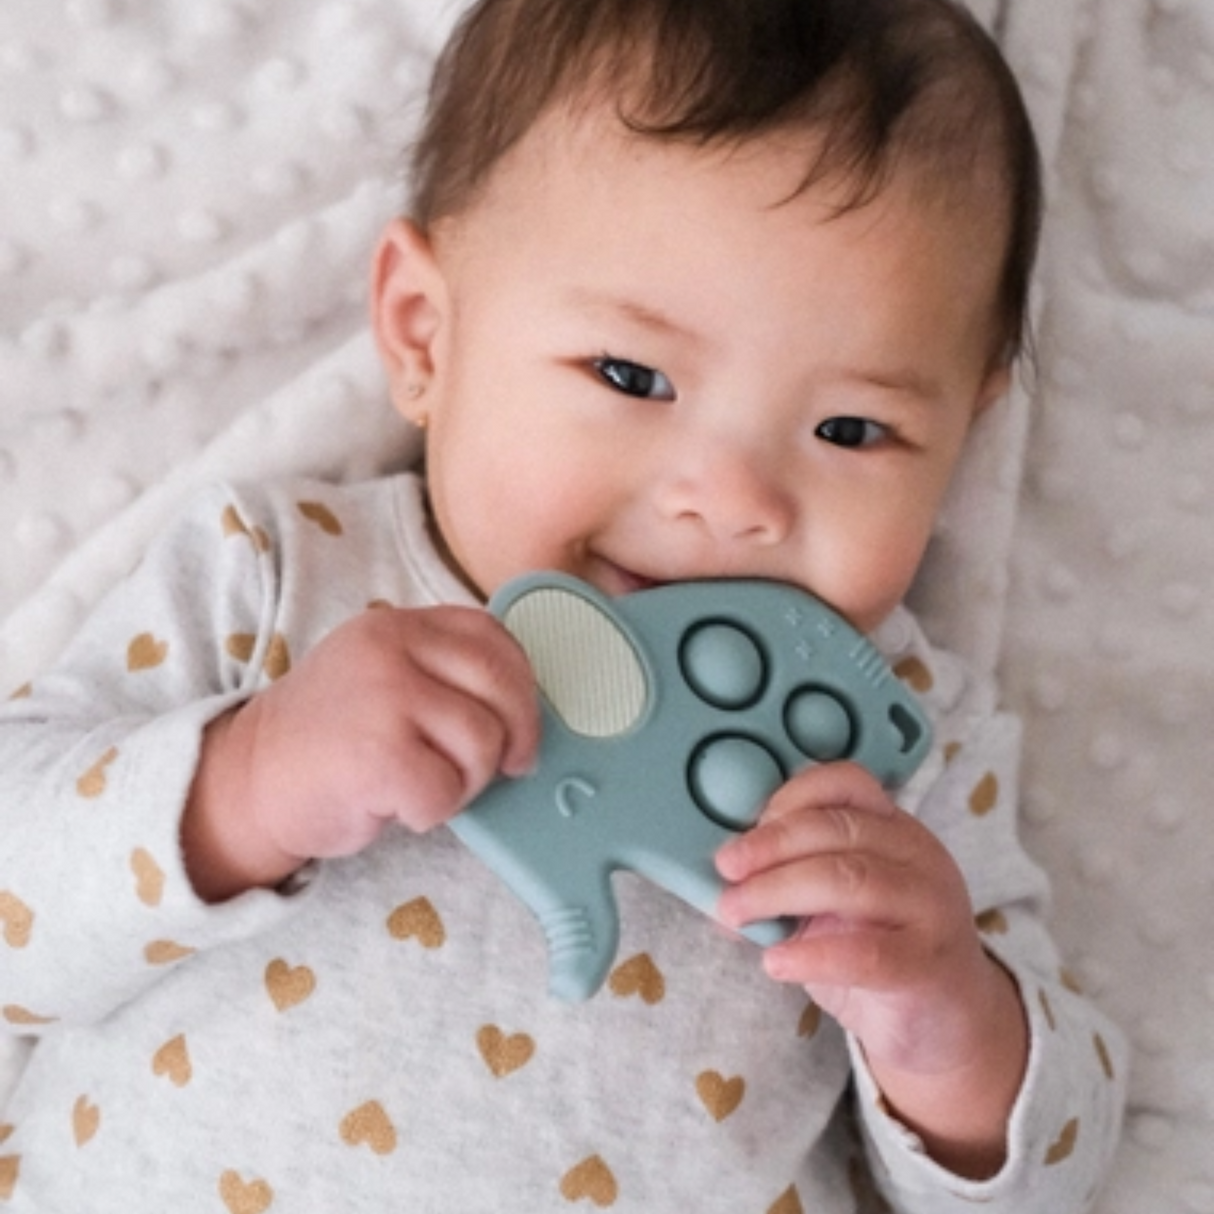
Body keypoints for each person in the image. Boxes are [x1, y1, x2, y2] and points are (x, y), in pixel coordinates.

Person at [0, 0, 1126, 1209]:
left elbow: (1047, 1174)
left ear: (962, 432)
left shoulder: (891, 742)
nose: (730, 498)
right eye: (631, 375)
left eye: (851, 428)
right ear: (425, 336)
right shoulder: (280, 575)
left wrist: (944, 1022)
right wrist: (245, 780)